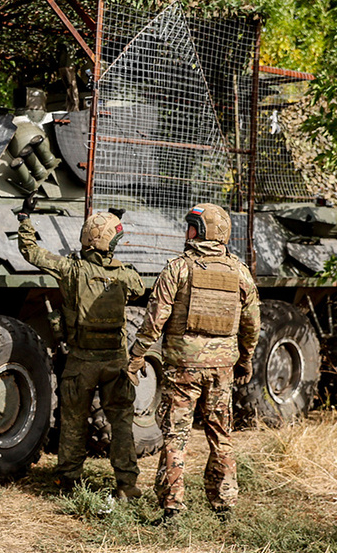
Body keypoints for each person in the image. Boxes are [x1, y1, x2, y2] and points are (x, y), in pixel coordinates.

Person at [127, 203, 259, 524]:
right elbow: (252, 322)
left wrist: (137, 354)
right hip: (222, 368)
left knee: (176, 435)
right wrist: (246, 357)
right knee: (221, 433)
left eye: (191, 226)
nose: (186, 232)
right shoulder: (240, 271)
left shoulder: (178, 269)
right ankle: (224, 505)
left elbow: (154, 319)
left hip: (183, 366)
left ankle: (172, 506)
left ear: (202, 232)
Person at [17, 197, 145, 500]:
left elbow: (31, 252)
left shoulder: (71, 271)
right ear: (109, 244)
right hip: (116, 361)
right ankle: (127, 485)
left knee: (73, 424)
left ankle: (70, 482)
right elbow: (139, 288)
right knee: (122, 425)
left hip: (80, 362)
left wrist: (25, 220)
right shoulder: (124, 274)